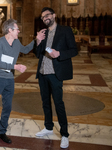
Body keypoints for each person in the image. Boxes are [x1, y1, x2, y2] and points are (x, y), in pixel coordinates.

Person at [0, 19, 43, 144]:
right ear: (10, 30)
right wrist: (16, 67)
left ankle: (2, 132)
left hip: (9, 79)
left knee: (7, 107)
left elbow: (25, 50)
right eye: (17, 29)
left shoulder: (16, 42)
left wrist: (36, 40)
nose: (19, 31)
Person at [33, 7, 78, 149]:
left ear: (54, 15)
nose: (45, 18)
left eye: (47, 15)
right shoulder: (43, 33)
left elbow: (74, 50)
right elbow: (37, 53)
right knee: (45, 102)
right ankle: (48, 127)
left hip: (55, 73)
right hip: (42, 73)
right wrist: (38, 41)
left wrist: (60, 54)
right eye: (43, 17)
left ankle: (64, 134)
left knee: (58, 103)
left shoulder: (65, 30)